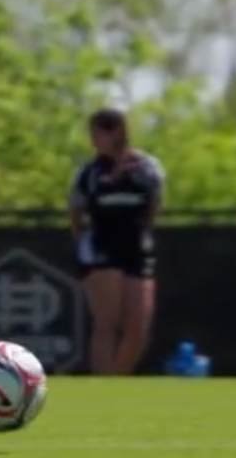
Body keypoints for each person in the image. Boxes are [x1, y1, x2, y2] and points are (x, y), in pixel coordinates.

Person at [67, 108, 166, 376]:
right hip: (102, 248)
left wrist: (140, 233)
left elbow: (154, 208)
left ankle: (117, 378)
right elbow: (76, 214)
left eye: (97, 133)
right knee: (107, 323)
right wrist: (83, 244)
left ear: (116, 132)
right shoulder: (88, 172)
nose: (93, 140)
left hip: (136, 248)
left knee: (138, 329)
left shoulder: (148, 168)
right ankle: (103, 383)